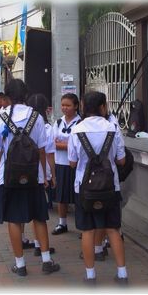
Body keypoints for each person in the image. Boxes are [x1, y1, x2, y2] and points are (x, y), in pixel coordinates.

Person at [0, 79, 60, 276]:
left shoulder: (2, 116)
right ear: (26, 95)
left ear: (7, 96)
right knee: (39, 217)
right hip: (34, 176)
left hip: (9, 175)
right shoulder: (36, 117)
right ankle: (46, 260)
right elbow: (41, 150)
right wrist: (44, 175)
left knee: (14, 219)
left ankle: (20, 265)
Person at [67, 91, 128, 285]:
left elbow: (72, 163)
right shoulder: (113, 128)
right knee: (113, 230)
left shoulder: (76, 130)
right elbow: (121, 159)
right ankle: (122, 274)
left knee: (87, 231)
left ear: (83, 107)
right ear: (103, 107)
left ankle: (91, 276)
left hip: (84, 189)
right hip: (111, 187)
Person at [26, 93, 57, 256]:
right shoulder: (46, 128)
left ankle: (36, 243)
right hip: (39, 175)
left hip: (22, 172)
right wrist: (51, 176)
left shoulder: (24, 124)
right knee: (40, 213)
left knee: (30, 211)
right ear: (46, 110)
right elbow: (49, 154)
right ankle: (42, 248)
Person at [51, 93, 81, 235]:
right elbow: (52, 143)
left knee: (79, 196)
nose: (65, 108)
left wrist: (61, 144)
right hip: (60, 163)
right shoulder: (58, 122)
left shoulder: (81, 123)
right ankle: (62, 223)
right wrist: (67, 144)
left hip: (76, 164)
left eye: (68, 105)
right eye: (63, 105)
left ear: (76, 106)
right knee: (61, 196)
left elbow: (79, 146)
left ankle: (82, 226)